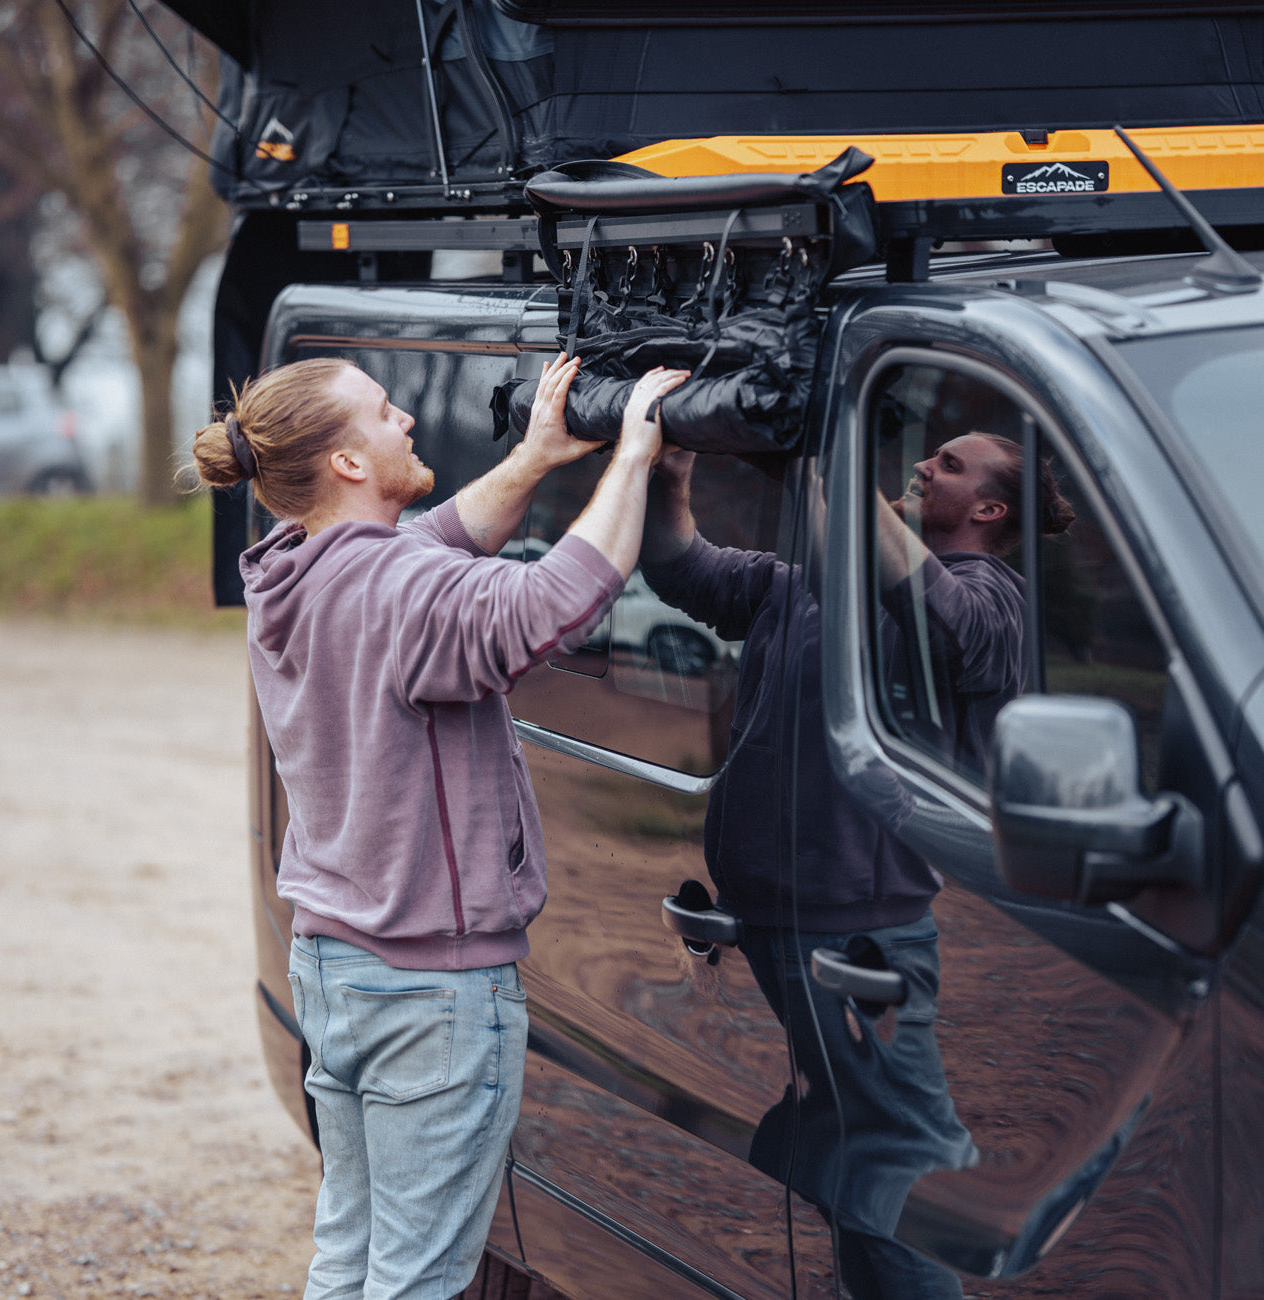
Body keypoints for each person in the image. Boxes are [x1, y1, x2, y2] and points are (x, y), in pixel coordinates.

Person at [190, 352, 688, 1300]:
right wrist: (631, 456)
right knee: (417, 1278)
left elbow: (436, 540)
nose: (408, 419)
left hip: (336, 969)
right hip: (431, 996)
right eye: (383, 413)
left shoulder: (293, 566)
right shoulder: (397, 592)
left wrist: (540, 456)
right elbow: (552, 603)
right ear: (344, 463)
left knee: (350, 1253)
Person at [639, 431, 1072, 1300]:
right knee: (849, 1149)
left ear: (989, 511)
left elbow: (930, 612)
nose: (920, 466)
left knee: (901, 1159)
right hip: (774, 921)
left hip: (861, 942)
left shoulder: (995, 604)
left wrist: (811, 457)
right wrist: (671, 474)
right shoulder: (800, 579)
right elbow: (678, 566)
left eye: (947, 465)